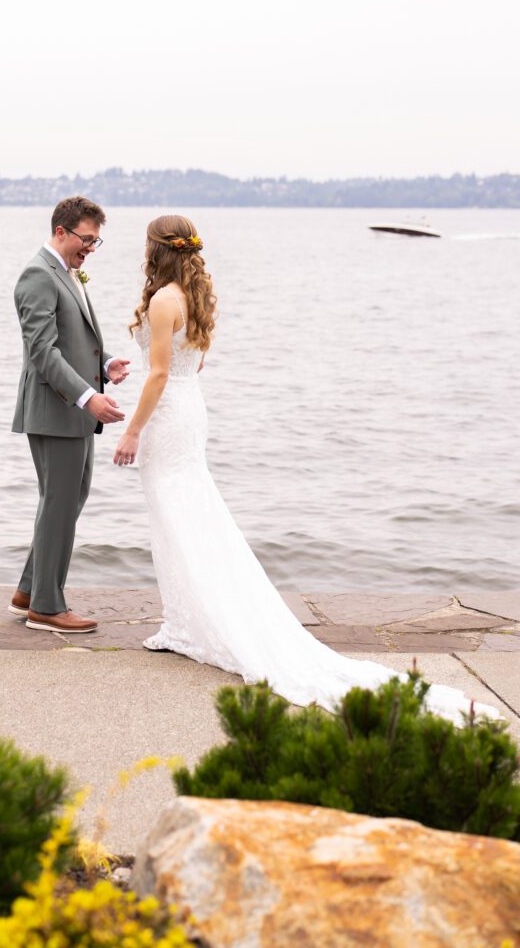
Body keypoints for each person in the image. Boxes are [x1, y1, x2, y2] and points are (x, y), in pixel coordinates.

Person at [113, 214, 500, 723]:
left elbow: (160, 374)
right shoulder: (195, 294)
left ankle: (189, 624)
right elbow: (191, 364)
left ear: (154, 248)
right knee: (187, 514)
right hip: (191, 408)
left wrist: (132, 430)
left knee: (175, 517)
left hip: (168, 416)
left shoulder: (164, 299)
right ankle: (186, 621)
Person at [11, 196, 130, 634]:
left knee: (67, 500)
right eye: (86, 240)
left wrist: (103, 366)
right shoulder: (37, 275)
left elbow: (72, 339)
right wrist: (87, 396)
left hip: (72, 409)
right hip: (55, 409)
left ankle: (28, 589)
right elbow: (42, 352)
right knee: (60, 503)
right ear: (61, 231)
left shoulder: (65, 272)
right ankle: (46, 606)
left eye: (96, 242)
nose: (90, 249)